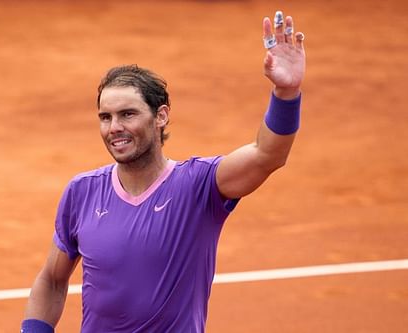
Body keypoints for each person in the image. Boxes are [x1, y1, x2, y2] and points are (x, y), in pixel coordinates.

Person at [21, 10, 306, 333]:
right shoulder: (82, 191)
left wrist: (286, 94)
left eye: (127, 114)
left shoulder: (199, 187)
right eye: (105, 117)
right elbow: (52, 280)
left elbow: (267, 154)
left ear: (161, 116)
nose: (115, 128)